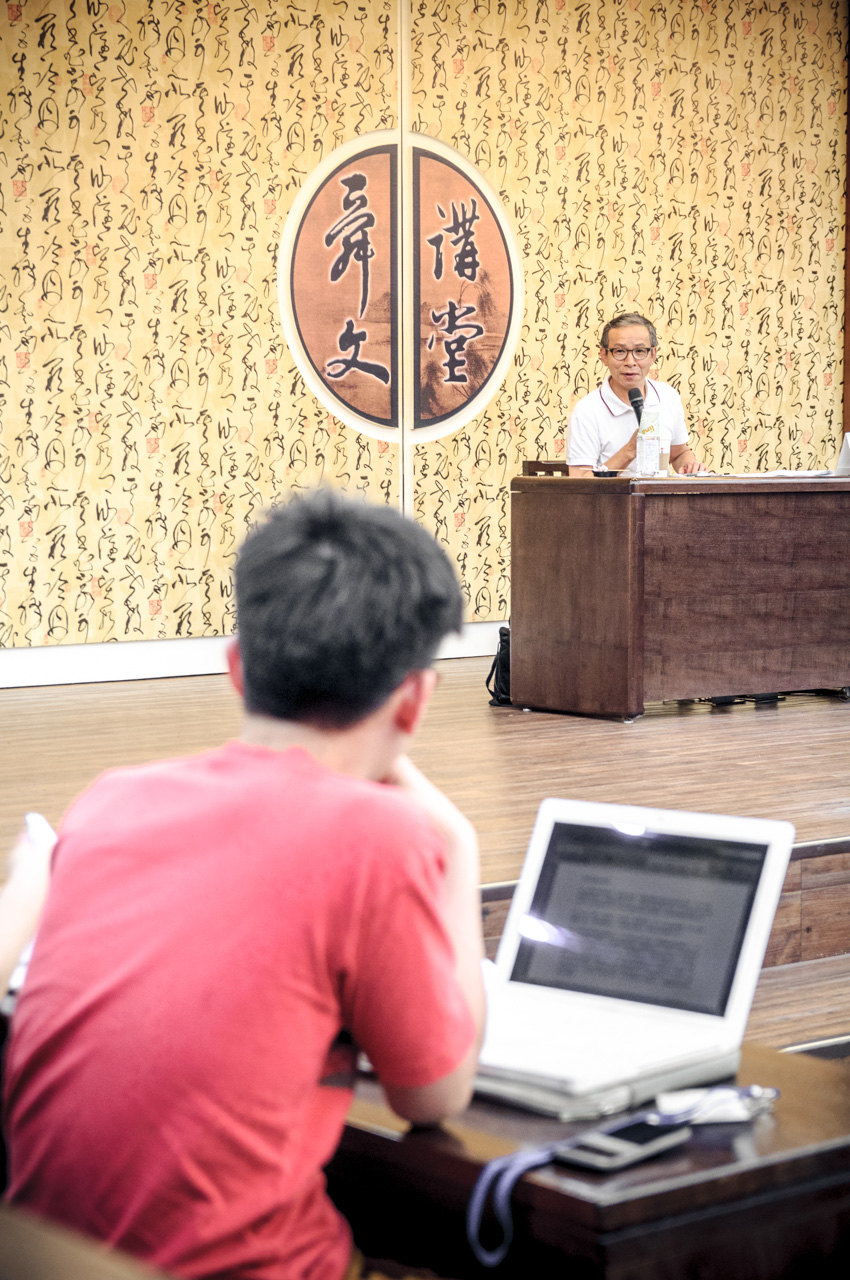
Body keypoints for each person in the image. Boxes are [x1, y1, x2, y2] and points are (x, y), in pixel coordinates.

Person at [3, 491, 486, 1280]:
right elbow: (435, 1097)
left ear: (236, 666)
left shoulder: (107, 799)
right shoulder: (381, 837)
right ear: (416, 699)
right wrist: (458, 848)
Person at [567, 313, 707, 476]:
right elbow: (580, 481)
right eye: (620, 351)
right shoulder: (586, 411)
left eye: (640, 351)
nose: (630, 362)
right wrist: (629, 450)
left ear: (653, 355)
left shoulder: (667, 396)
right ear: (604, 355)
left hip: (661, 492)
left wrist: (690, 466)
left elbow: (679, 453)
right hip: (615, 494)